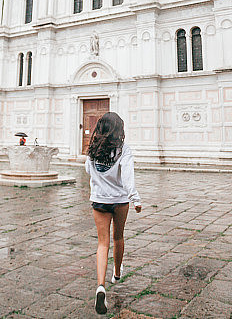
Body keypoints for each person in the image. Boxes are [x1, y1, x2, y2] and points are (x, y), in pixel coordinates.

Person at [84, 112, 141, 314]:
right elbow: (127, 177)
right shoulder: (123, 149)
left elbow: (88, 171)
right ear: (119, 129)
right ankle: (116, 274)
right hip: (119, 201)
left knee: (102, 243)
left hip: (99, 200)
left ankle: (101, 286)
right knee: (119, 238)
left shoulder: (92, 149)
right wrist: (135, 198)